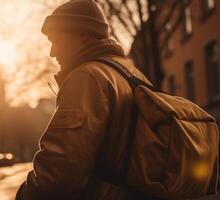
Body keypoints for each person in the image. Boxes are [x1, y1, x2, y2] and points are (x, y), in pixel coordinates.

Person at [16, 0, 151, 199]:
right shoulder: (130, 74)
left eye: (57, 40)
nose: (52, 52)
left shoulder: (87, 77)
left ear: (82, 33)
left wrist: (26, 195)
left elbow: (60, 170)